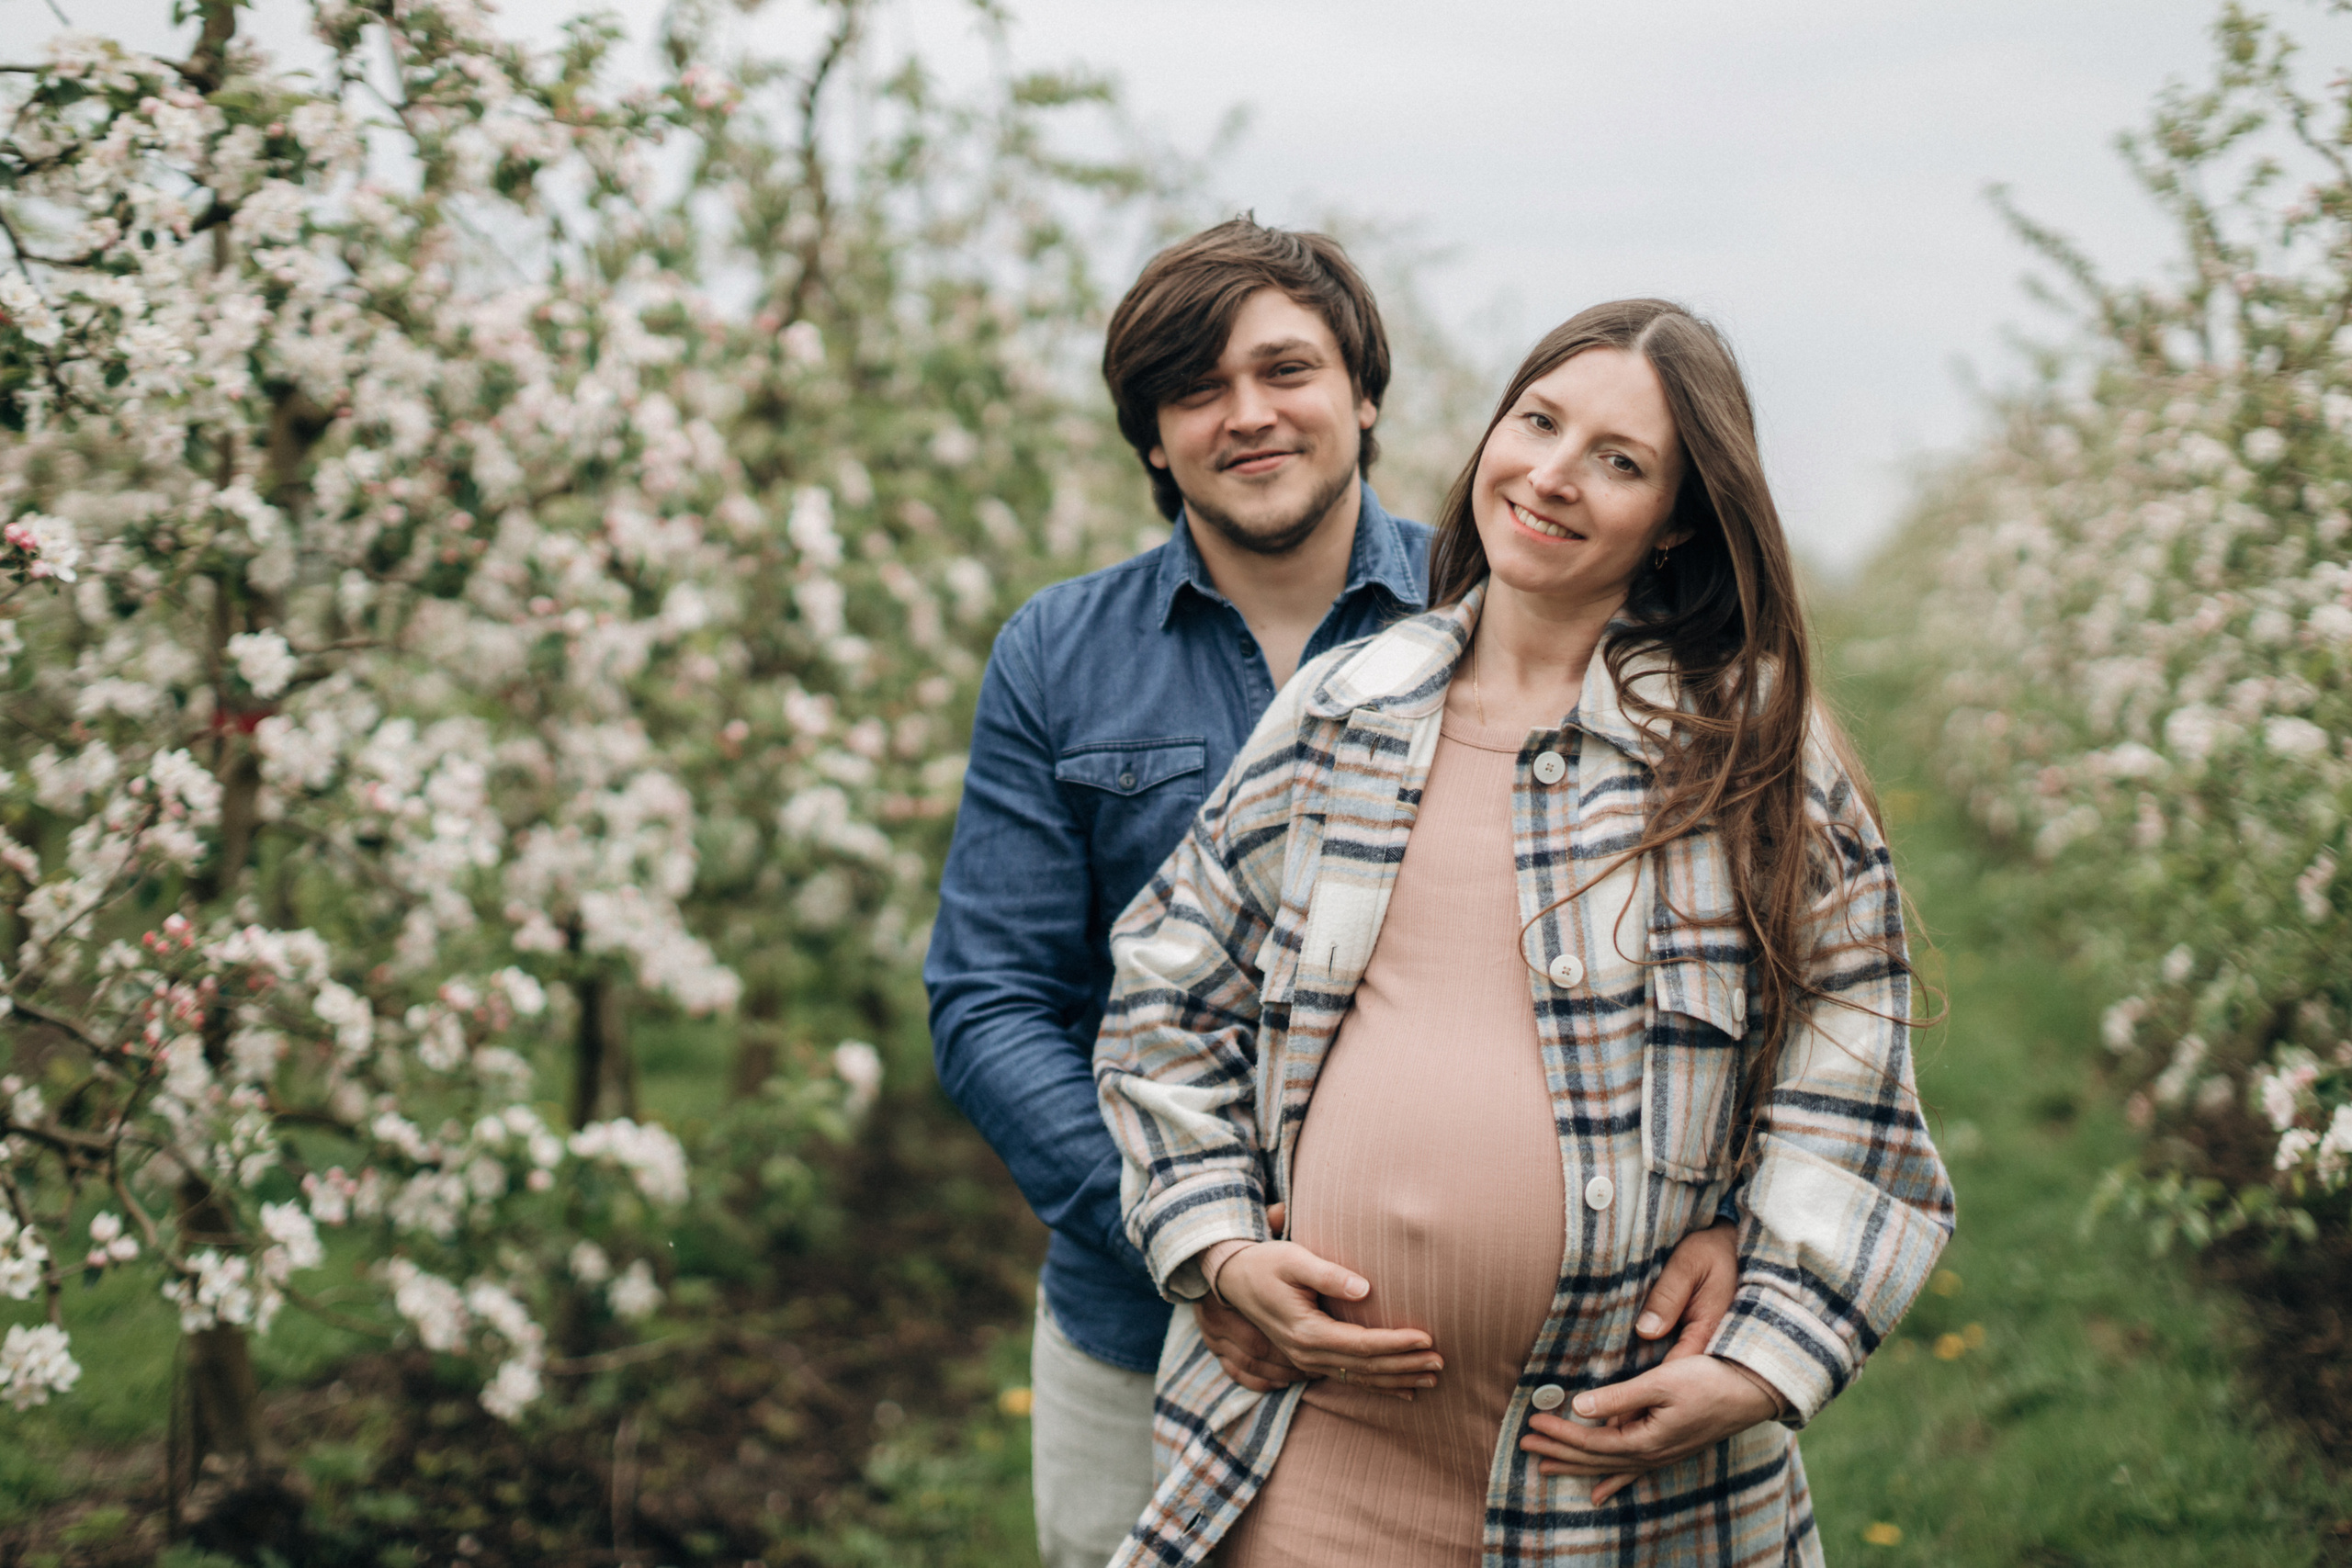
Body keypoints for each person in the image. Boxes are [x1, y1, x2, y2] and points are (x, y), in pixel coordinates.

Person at [927, 228, 1743, 1568]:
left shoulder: (1510, 599)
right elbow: (991, 1000)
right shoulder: (1058, 655)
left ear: (1363, 392)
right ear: (1151, 439)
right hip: (1134, 1327)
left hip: (1490, 1391)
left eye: (1285, 369)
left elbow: (1724, 955)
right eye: (1194, 389)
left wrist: (1722, 1208)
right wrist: (1194, 1247)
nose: (1246, 415)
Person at [1094, 299, 1956, 1567]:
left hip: (1618, 1493)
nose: (1553, 475)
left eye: (1621, 460)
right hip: (1312, 1459)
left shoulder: (1748, 750)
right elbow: (1168, 998)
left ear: (1676, 520)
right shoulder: (1346, 710)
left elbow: (1854, 1082)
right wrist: (1219, 1241)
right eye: (1538, 422)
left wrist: (1767, 1359)